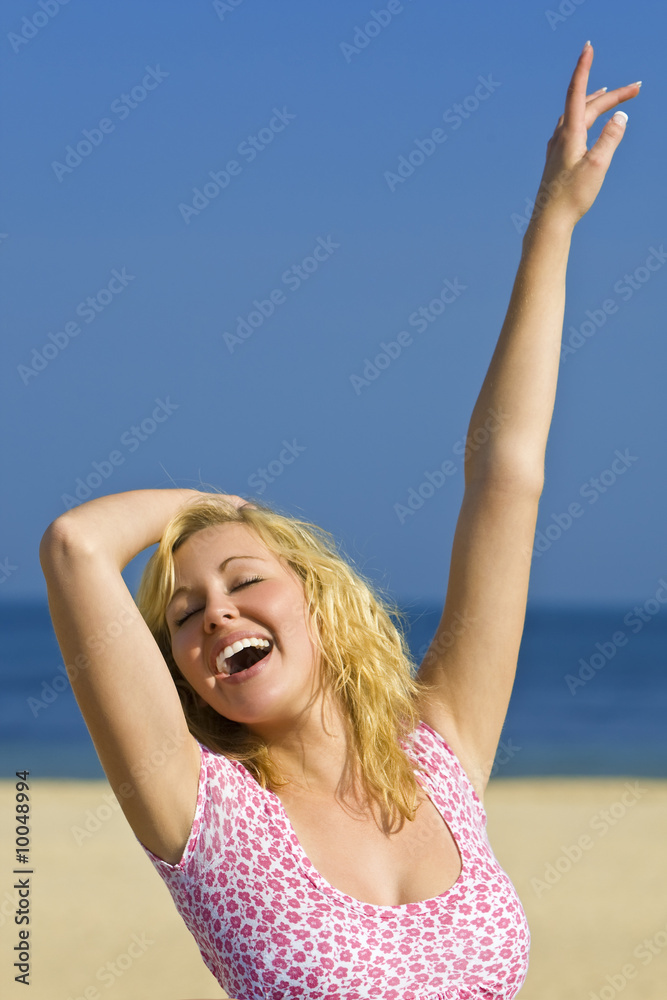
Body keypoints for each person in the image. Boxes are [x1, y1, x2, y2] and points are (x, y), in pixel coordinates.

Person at [39, 42, 639, 1000]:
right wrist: (221, 510)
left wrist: (553, 221)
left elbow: (505, 477)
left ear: (318, 600)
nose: (215, 615)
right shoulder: (197, 807)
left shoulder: (440, 752)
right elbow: (76, 547)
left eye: (244, 580)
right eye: (184, 616)